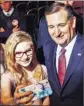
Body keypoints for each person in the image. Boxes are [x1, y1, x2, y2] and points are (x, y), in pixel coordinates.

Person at [44, 2, 83, 106]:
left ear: (73, 22)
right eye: (51, 27)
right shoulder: (47, 48)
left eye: (61, 25)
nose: (56, 33)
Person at [1, 31, 49, 105]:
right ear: (11, 54)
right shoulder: (8, 76)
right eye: (18, 53)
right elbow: (5, 99)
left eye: (28, 51)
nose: (25, 57)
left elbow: (46, 97)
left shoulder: (42, 69)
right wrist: (15, 101)